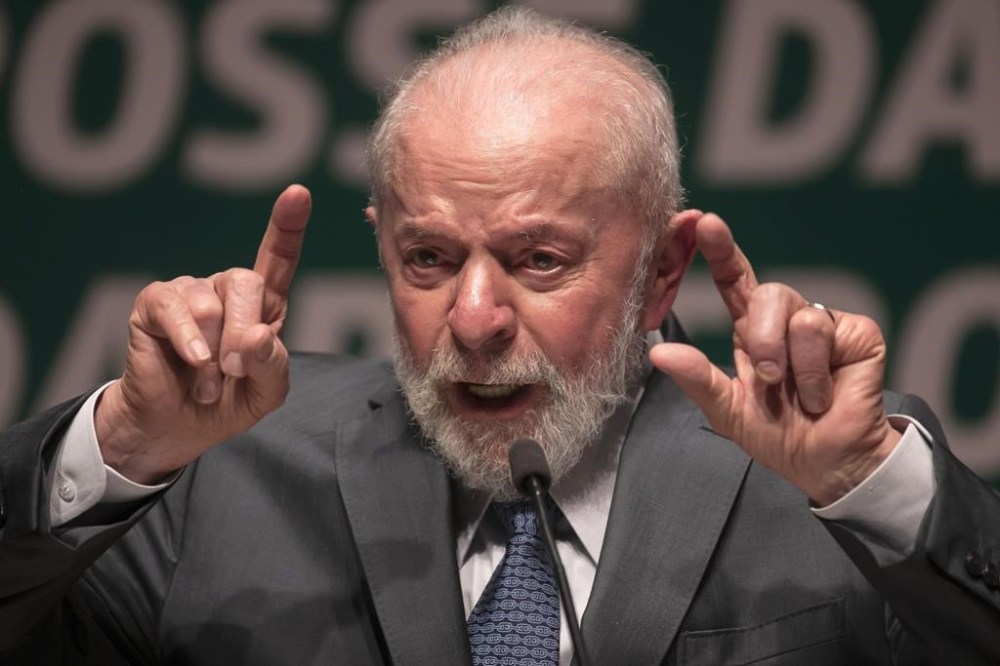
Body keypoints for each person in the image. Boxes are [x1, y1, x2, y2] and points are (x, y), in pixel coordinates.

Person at [1, 6, 998, 664]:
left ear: (660, 270)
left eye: (539, 261)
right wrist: (125, 446)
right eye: (428, 259)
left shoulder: (834, 474)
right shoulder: (217, 469)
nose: (472, 321)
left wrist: (871, 481)